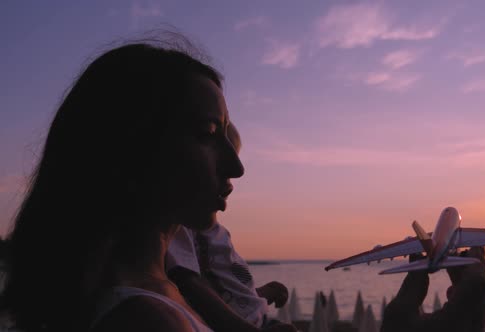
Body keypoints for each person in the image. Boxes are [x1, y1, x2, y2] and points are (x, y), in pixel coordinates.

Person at [1, 36, 248, 332]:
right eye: (207, 133)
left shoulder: (154, 290)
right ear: (131, 146)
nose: (236, 166)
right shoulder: (147, 320)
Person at [166, 123, 295, 332]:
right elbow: (192, 288)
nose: (236, 170)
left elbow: (227, 292)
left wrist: (260, 294)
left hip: (259, 320)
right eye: (217, 159)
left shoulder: (218, 233)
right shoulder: (182, 228)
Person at [381, 247, 485, 332]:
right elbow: (453, 322)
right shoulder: (455, 324)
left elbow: (397, 319)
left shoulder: (394, 322)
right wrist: (476, 263)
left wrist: (415, 276)